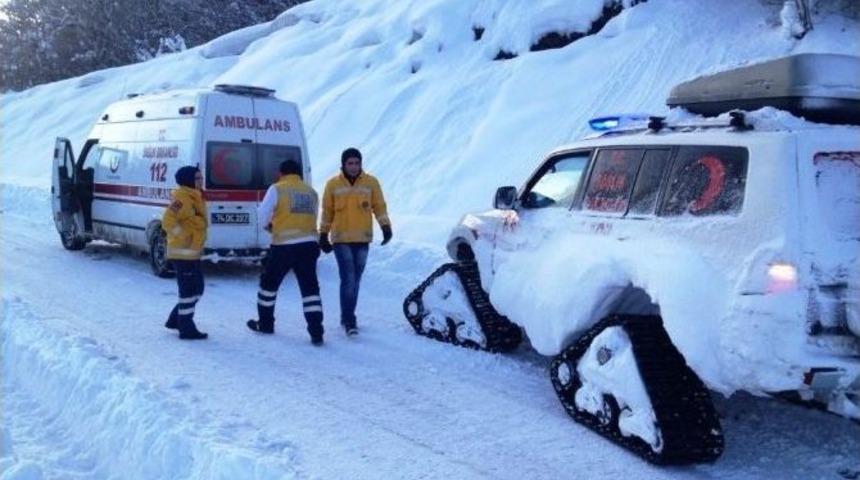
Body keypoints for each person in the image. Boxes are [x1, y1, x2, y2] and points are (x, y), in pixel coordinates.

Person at [247, 160, 325, 345]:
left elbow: (262, 215)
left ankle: (265, 324)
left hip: (283, 246)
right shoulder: (311, 192)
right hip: (309, 245)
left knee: (269, 286)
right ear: (299, 174)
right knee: (310, 289)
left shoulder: (277, 189)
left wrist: (270, 227)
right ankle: (316, 332)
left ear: (281, 173)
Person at [319, 147, 392, 336]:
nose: (353, 166)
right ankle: (350, 320)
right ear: (343, 164)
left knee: (355, 280)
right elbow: (327, 212)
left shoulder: (371, 182)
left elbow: (379, 206)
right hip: (341, 238)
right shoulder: (332, 184)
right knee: (349, 278)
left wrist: (385, 226)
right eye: (350, 163)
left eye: (357, 163)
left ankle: (346, 315)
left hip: (363, 238)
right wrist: (323, 234)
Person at [163, 166, 208, 340]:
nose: (201, 181)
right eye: (197, 178)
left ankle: (176, 320)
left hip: (192, 253)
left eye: (201, 177)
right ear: (189, 180)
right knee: (189, 291)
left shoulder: (195, 196)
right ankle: (186, 328)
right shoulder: (182, 198)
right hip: (182, 253)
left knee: (197, 289)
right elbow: (167, 220)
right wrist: (183, 236)